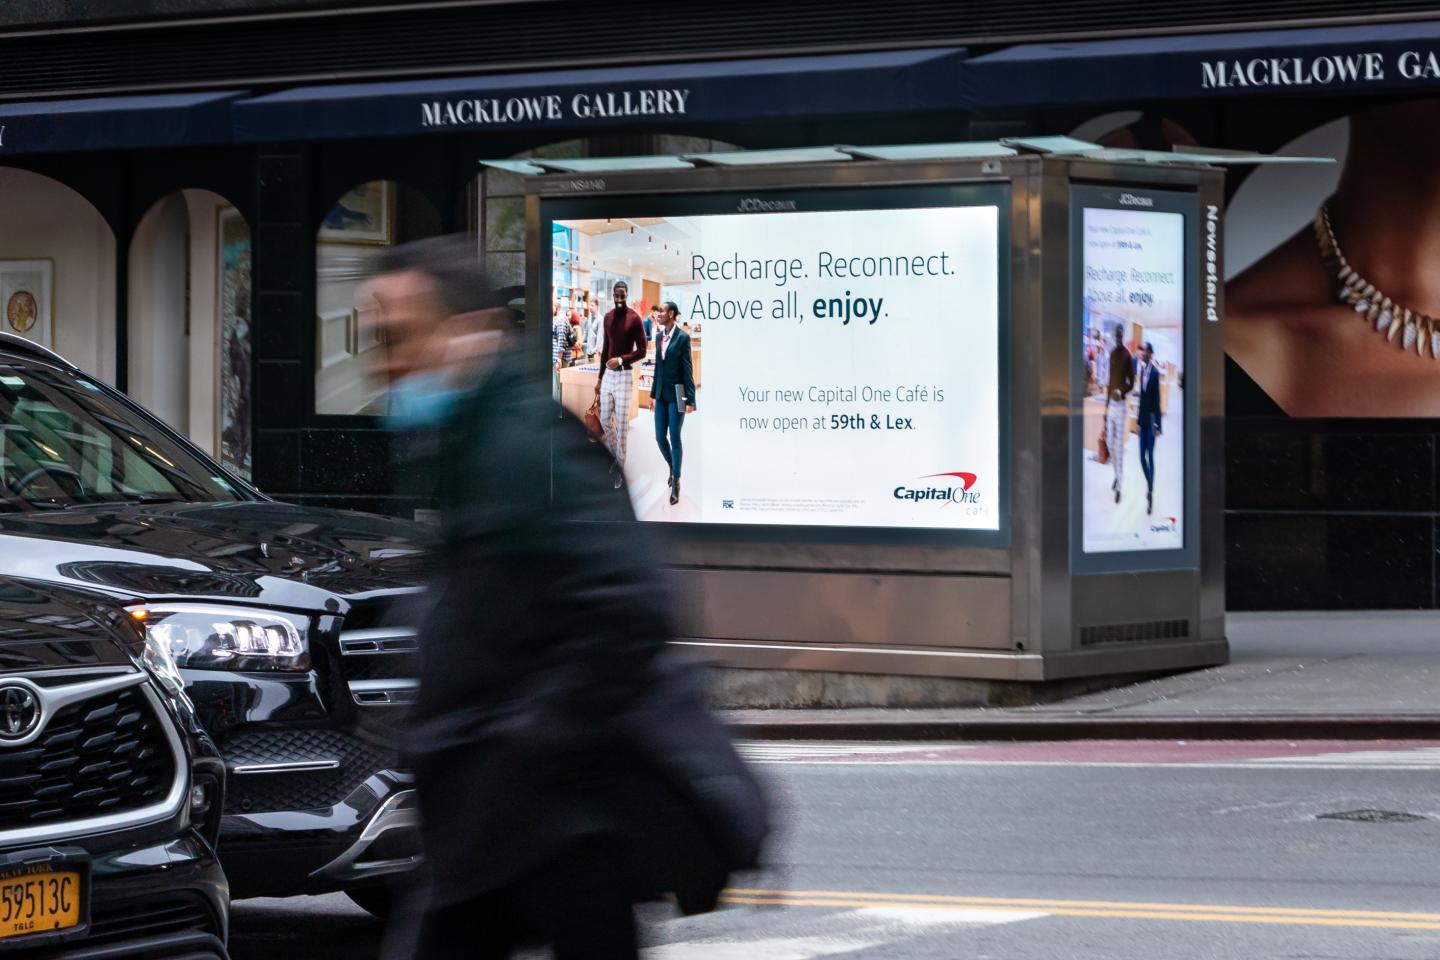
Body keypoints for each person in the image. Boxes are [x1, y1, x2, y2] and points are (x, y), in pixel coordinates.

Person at [369, 237, 769, 960]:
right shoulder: (473, 441)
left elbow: (633, 604)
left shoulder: (523, 446)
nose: (384, 362)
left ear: (462, 330)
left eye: (398, 337)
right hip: (512, 816)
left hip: (551, 816)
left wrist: (528, 737)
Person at [596, 280, 647, 488]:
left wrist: (622, 359)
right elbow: (606, 350)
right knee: (605, 418)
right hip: (608, 374)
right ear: (612, 295)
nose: (619, 299)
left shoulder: (635, 319)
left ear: (626, 295)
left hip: (625, 375)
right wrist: (599, 379)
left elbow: (642, 351)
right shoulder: (607, 318)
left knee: (623, 424)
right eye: (616, 295)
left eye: (622, 295)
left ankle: (619, 466)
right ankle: (616, 455)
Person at [650, 301, 696, 505]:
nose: (658, 314)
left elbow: (688, 371)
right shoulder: (659, 336)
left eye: (661, 311)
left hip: (678, 394)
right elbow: (657, 369)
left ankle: (676, 481)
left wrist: (691, 400)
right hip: (660, 394)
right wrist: (652, 395)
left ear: (670, 314)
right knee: (660, 437)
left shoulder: (683, 338)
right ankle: (672, 466)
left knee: (674, 437)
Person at [1104, 325, 1134, 503]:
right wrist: (1106, 408)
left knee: (1119, 447)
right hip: (1111, 406)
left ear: (1123, 335)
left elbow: (1131, 383)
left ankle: (1119, 486)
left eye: (1120, 334)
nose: (1117, 336)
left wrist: (1121, 392)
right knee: (1109, 442)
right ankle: (1116, 474)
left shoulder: (1127, 356)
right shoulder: (1112, 354)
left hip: (1121, 405)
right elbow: (1109, 381)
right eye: (1116, 334)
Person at [1135, 341, 1163, 516]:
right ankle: (1149, 483)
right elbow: (1141, 400)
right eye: (1142, 351)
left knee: (1149, 457)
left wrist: (1158, 424)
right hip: (1143, 420)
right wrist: (1137, 422)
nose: (1143, 353)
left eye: (1145, 351)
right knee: (1140, 458)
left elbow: (1157, 401)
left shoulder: (1155, 373)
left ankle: (1150, 493)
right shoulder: (1143, 371)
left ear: (1150, 354)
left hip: (1152, 421)